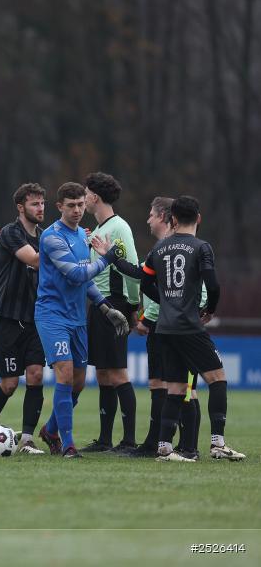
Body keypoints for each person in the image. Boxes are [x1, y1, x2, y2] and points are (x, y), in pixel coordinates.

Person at [140, 195, 244, 462]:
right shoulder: (201, 247)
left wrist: (165, 300)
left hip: (164, 328)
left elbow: (145, 283)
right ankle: (218, 444)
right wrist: (209, 310)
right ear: (198, 218)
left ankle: (164, 447)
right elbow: (214, 285)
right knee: (218, 379)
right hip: (189, 326)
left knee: (175, 388)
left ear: (172, 219)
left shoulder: (160, 248)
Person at [98, 197, 204, 459]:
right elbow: (141, 275)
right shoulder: (163, 247)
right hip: (165, 325)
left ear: (165, 218)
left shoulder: (178, 248)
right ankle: (158, 442)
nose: (147, 219)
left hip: (174, 327)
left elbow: (184, 291)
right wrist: (111, 256)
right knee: (164, 384)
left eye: (151, 214)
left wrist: (149, 318)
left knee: (183, 387)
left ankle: (187, 446)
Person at [34, 182, 128, 458]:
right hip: (52, 316)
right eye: (71, 205)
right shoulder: (52, 237)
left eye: (80, 205)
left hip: (76, 319)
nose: (77, 210)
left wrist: (105, 307)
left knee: (78, 383)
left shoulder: (82, 238)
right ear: (60, 206)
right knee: (64, 374)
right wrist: (107, 259)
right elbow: (76, 274)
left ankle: (50, 430)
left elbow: (84, 281)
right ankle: (68, 445)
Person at [0, 183, 46, 454]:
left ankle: (28, 440)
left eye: (43, 203)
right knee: (9, 383)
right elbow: (34, 260)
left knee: (36, 375)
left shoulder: (45, 236)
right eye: (34, 204)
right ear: (21, 208)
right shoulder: (11, 233)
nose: (41, 208)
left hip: (35, 317)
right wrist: (71, 247)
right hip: (7, 315)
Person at [82, 172, 140, 454]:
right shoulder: (98, 229)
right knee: (104, 374)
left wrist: (131, 307)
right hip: (98, 305)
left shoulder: (119, 228)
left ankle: (129, 441)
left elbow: (132, 269)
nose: (83, 197)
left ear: (94, 196)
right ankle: (105, 440)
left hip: (114, 305)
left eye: (85, 192)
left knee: (118, 373)